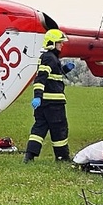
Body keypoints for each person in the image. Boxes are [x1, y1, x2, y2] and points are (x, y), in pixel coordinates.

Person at [23, 28, 74, 162]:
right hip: (54, 104)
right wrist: (37, 95)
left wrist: (64, 70)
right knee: (59, 129)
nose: (62, 45)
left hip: (44, 104)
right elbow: (41, 78)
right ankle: (62, 157)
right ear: (52, 43)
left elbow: (50, 76)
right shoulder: (50, 58)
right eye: (59, 42)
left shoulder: (48, 58)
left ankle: (29, 156)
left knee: (39, 128)